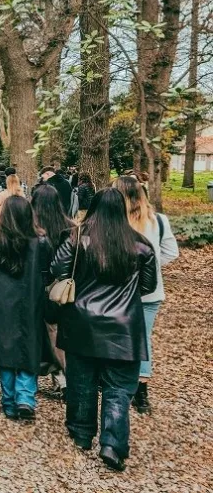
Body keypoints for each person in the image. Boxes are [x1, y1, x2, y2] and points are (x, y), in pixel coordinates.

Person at [50, 189, 158, 471]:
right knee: (119, 388)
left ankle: (82, 432)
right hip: (124, 326)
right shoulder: (141, 244)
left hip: (82, 321)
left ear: (93, 208)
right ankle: (112, 443)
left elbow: (58, 267)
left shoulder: (76, 237)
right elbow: (148, 286)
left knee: (81, 379)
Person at [0, 196, 53, 421]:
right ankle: (25, 398)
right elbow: (49, 271)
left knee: (4, 350)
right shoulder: (41, 242)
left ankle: (9, 401)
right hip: (30, 301)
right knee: (29, 348)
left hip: (0, 303)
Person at [111, 175, 178, 414]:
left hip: (118, 291)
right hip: (151, 291)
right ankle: (141, 391)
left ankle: (117, 381)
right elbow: (171, 252)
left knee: (117, 334)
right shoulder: (158, 221)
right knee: (144, 338)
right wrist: (154, 266)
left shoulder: (116, 221)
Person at [31, 184, 75, 398]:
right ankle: (63, 378)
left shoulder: (31, 228)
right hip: (62, 288)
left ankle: (44, 375)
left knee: (42, 332)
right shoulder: (70, 227)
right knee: (58, 333)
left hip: (37, 286)